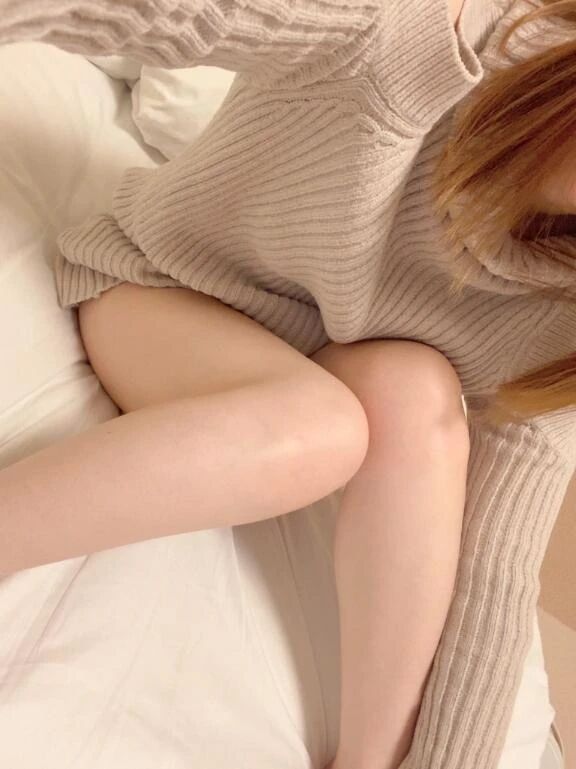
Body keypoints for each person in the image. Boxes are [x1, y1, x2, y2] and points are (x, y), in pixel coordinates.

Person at [0, 2, 575, 769]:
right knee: (325, 428)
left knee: (418, 392)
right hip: (160, 286)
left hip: (327, 364)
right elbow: (189, 18)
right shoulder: (428, 46)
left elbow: (496, 572)